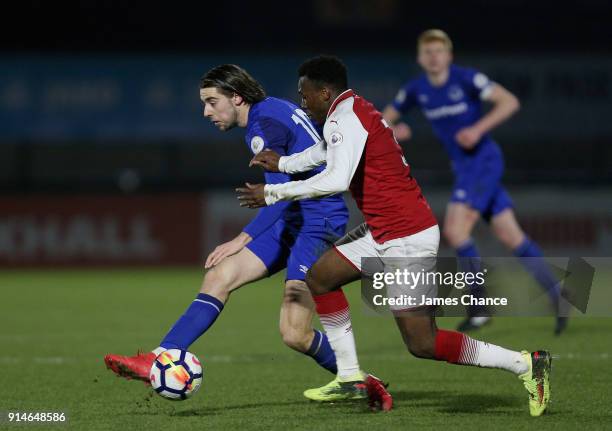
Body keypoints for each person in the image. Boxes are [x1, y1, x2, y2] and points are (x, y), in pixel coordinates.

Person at [240, 55, 551, 417]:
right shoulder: (348, 112)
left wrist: (274, 192)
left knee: (423, 342)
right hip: (383, 230)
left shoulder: (346, 118)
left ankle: (526, 364)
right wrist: (281, 164)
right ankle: (350, 375)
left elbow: (336, 180)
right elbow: (322, 152)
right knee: (321, 278)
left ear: (324, 92)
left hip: (407, 236)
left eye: (304, 94)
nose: (302, 101)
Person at [104, 64, 390, 404]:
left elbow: (279, 197)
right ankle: (161, 353)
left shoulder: (262, 124)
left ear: (236, 97)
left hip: (318, 222)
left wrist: (241, 239)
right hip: (298, 217)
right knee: (219, 276)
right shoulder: (274, 109)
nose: (206, 112)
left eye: (212, 101)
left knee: (294, 334)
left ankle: (363, 381)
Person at [381, 29, 567, 334]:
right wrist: (394, 131)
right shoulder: (416, 90)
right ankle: (558, 294)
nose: (434, 56)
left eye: (439, 51)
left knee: (455, 230)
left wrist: (478, 130)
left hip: (482, 162)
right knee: (511, 236)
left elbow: (509, 101)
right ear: (420, 58)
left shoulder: (466, 79)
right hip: (466, 167)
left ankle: (479, 308)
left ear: (449, 56)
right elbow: (383, 121)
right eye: (428, 52)